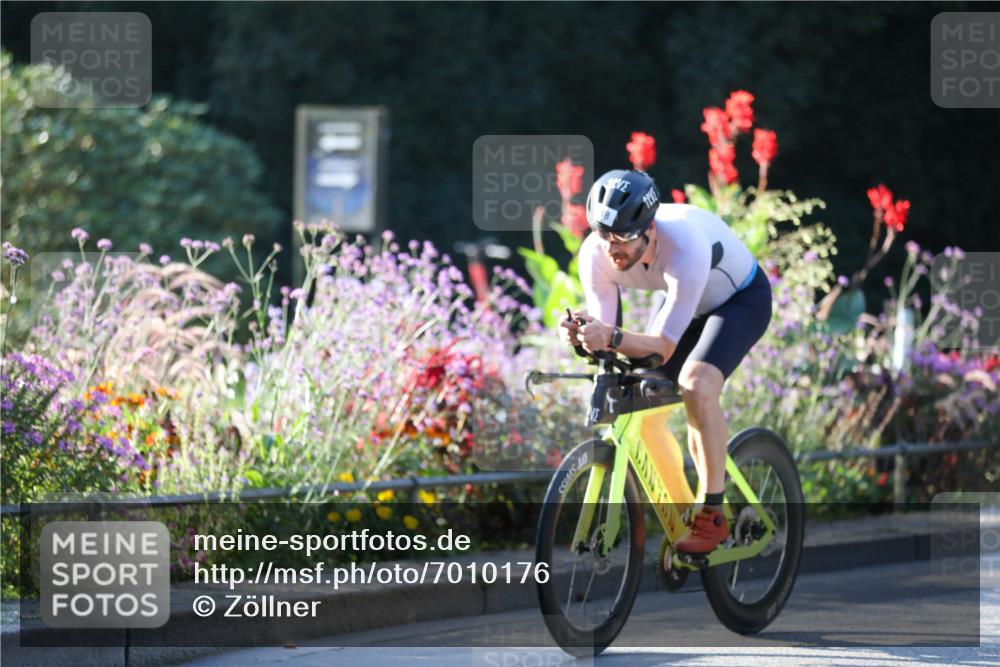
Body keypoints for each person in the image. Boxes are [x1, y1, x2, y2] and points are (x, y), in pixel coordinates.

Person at [558, 169, 772, 554]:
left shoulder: (684, 245)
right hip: (686, 302)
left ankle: (712, 513)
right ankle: (683, 517)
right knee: (642, 402)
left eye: (622, 237)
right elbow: (607, 335)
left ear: (650, 228)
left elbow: (662, 348)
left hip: (738, 302)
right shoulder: (596, 252)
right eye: (604, 234)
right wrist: (582, 336)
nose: (611, 248)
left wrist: (611, 336)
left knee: (697, 384)